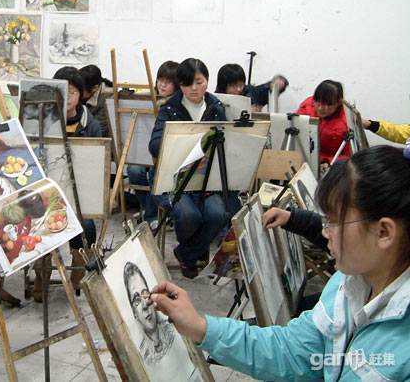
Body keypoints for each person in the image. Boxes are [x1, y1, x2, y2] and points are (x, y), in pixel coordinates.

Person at [151, 145, 410, 380]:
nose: (325, 231)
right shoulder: (347, 283)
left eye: (333, 221)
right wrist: (200, 326)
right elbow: (293, 351)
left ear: (384, 232)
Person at [149, 58, 241, 279]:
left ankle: (186, 254)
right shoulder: (169, 109)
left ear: (207, 81)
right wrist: (182, 139)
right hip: (174, 179)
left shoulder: (216, 107)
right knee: (188, 215)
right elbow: (154, 145)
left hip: (207, 179)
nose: (193, 88)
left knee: (218, 213)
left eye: (199, 82)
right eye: (187, 83)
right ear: (179, 84)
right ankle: (196, 253)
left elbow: (227, 145)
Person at [26, 67, 101, 301]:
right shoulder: (40, 122)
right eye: (62, 91)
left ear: (81, 94)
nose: (68, 97)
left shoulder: (90, 125)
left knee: (86, 225)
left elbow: (97, 166)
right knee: (39, 223)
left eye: (73, 92)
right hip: (47, 192)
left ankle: (78, 270)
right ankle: (43, 272)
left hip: (79, 194)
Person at [127, 60, 179, 227]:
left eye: (168, 82)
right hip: (143, 151)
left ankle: (151, 217)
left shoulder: (175, 105)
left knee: (153, 173)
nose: (162, 85)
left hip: (163, 156)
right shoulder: (148, 99)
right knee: (133, 170)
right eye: (160, 80)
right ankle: (151, 211)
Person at [124, 261, 174, 363]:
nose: (145, 305)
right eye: (137, 301)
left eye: (145, 294)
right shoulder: (141, 356)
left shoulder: (172, 331)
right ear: (134, 313)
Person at [297, 79, 350, 164]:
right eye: (318, 101)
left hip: (329, 164)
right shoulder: (306, 106)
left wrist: (325, 161)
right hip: (302, 157)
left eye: (328, 104)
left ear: (339, 103)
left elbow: (349, 157)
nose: (320, 108)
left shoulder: (346, 122)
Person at [215, 63, 289, 112]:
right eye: (234, 85)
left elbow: (265, 89)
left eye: (241, 85)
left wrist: (275, 84)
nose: (239, 89)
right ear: (223, 86)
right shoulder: (214, 101)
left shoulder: (249, 92)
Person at [78, 64, 113, 137]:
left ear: (95, 88)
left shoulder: (108, 99)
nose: (77, 92)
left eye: (81, 89)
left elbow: (99, 131)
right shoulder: (82, 94)